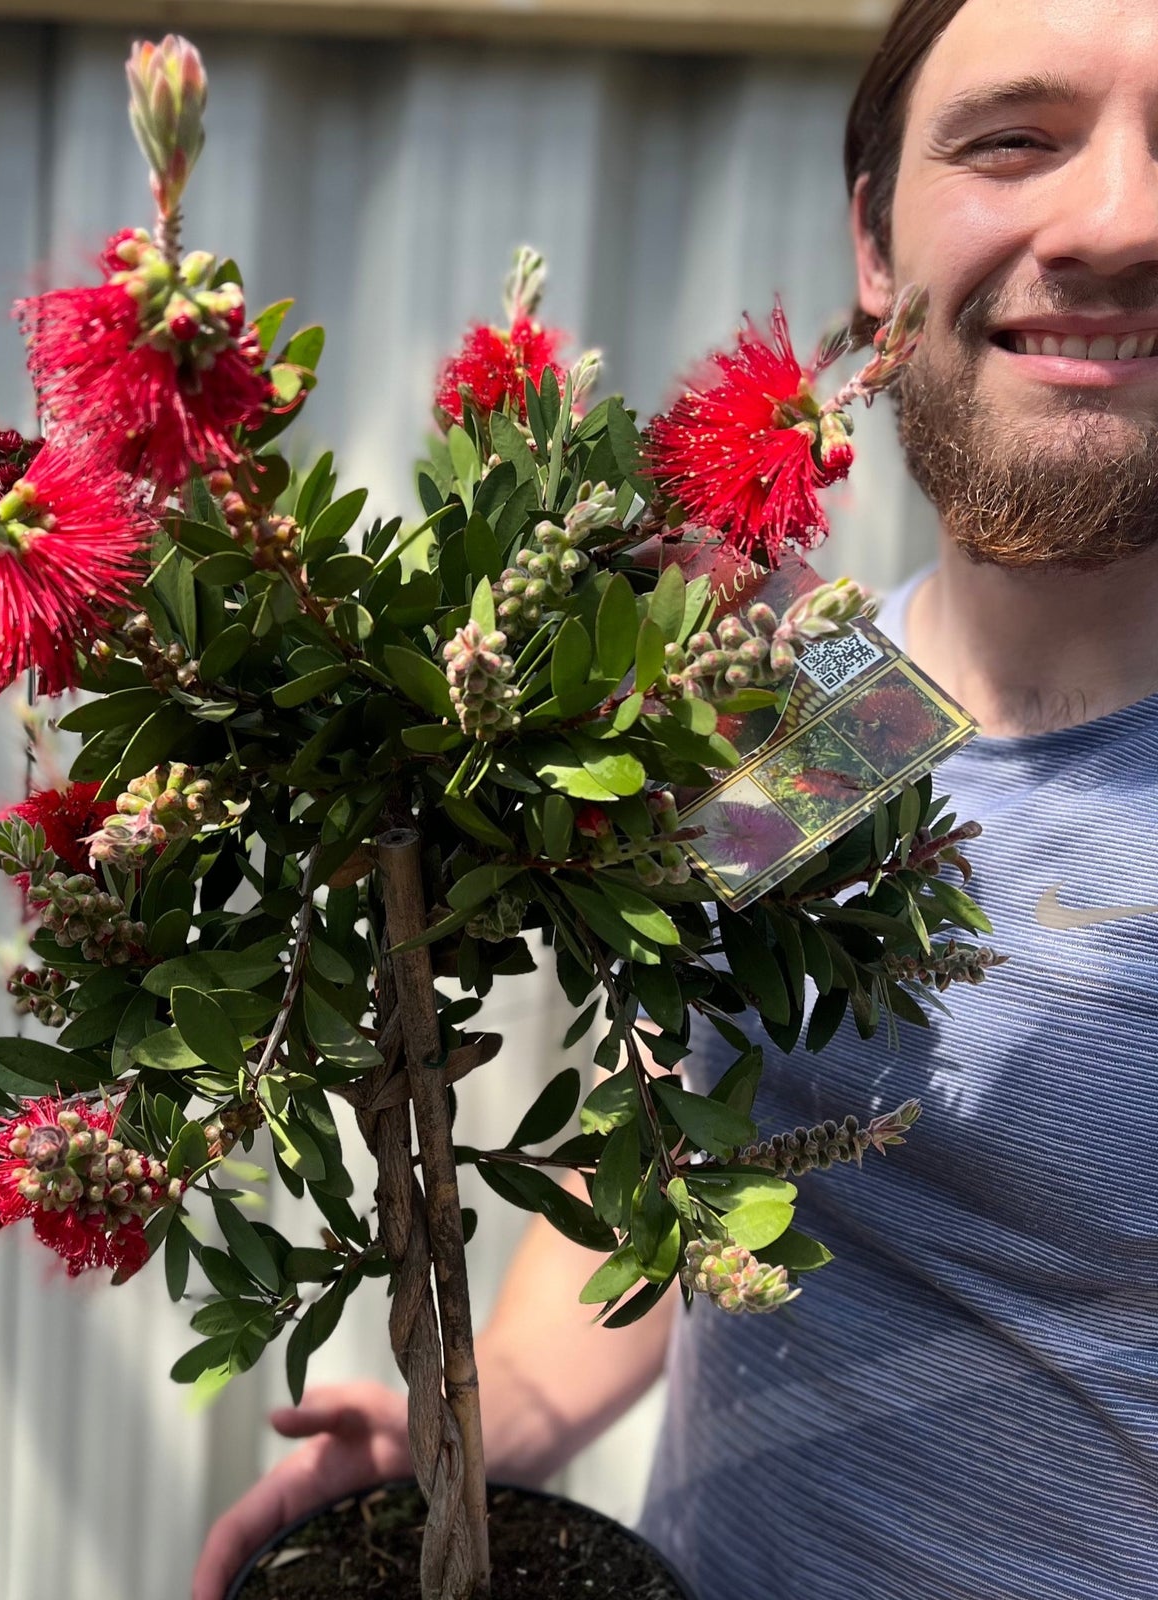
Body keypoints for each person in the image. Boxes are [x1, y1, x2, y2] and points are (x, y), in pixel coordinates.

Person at [193, 0, 1158, 1593]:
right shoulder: (842, 706)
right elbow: (683, 1107)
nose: (1116, 218)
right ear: (875, 241)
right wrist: (499, 1416)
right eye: (1013, 140)